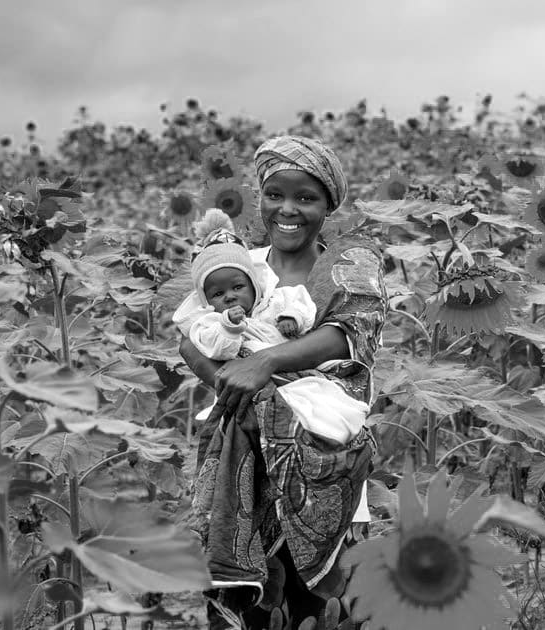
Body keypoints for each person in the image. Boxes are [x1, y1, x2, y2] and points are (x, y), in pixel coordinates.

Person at [179, 136, 382, 630]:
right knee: (254, 604)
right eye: (275, 195)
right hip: (247, 463)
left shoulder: (351, 264)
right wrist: (236, 386)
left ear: (328, 204)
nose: (287, 210)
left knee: (323, 607)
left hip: (321, 457)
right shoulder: (239, 265)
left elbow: (348, 336)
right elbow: (188, 335)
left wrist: (265, 363)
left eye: (306, 198)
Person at [173, 208, 369, 448]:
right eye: (218, 294)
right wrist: (229, 327)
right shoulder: (211, 321)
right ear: (205, 301)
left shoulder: (272, 298)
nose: (230, 297)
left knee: (320, 405)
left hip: (292, 372)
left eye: (237, 287)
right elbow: (209, 347)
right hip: (247, 385)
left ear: (254, 284)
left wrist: (291, 318)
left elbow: (302, 308)